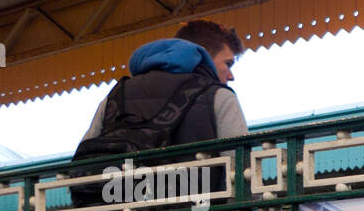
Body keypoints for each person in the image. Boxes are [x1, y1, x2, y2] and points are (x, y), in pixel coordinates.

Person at [75, 20, 248, 169]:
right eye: (228, 63)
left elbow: (83, 157)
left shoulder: (116, 96)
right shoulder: (220, 96)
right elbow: (241, 169)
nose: (231, 76)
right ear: (202, 54)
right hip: (198, 206)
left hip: (121, 201)